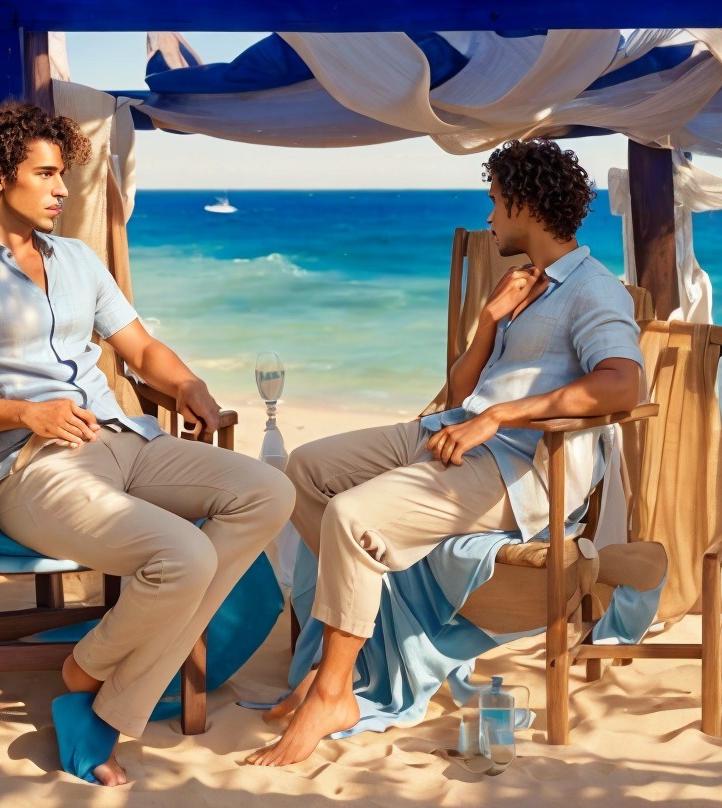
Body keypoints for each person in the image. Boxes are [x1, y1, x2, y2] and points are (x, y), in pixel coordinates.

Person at [0, 102, 294, 786]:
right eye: (47, 175)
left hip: (127, 439)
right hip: (33, 468)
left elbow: (139, 347)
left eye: (65, 175)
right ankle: (102, 700)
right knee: (184, 554)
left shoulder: (79, 260)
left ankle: (87, 671)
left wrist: (189, 385)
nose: (62, 190)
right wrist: (26, 414)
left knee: (268, 490)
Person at [248, 138, 644, 766]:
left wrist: (501, 415)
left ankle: (332, 689)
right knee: (305, 471)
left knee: (354, 516)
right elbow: (462, 389)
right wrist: (489, 321)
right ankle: (366, 638)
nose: (489, 217)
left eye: (494, 202)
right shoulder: (525, 287)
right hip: (455, 430)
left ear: (521, 203)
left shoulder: (594, 289)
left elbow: (625, 382)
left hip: (519, 469)